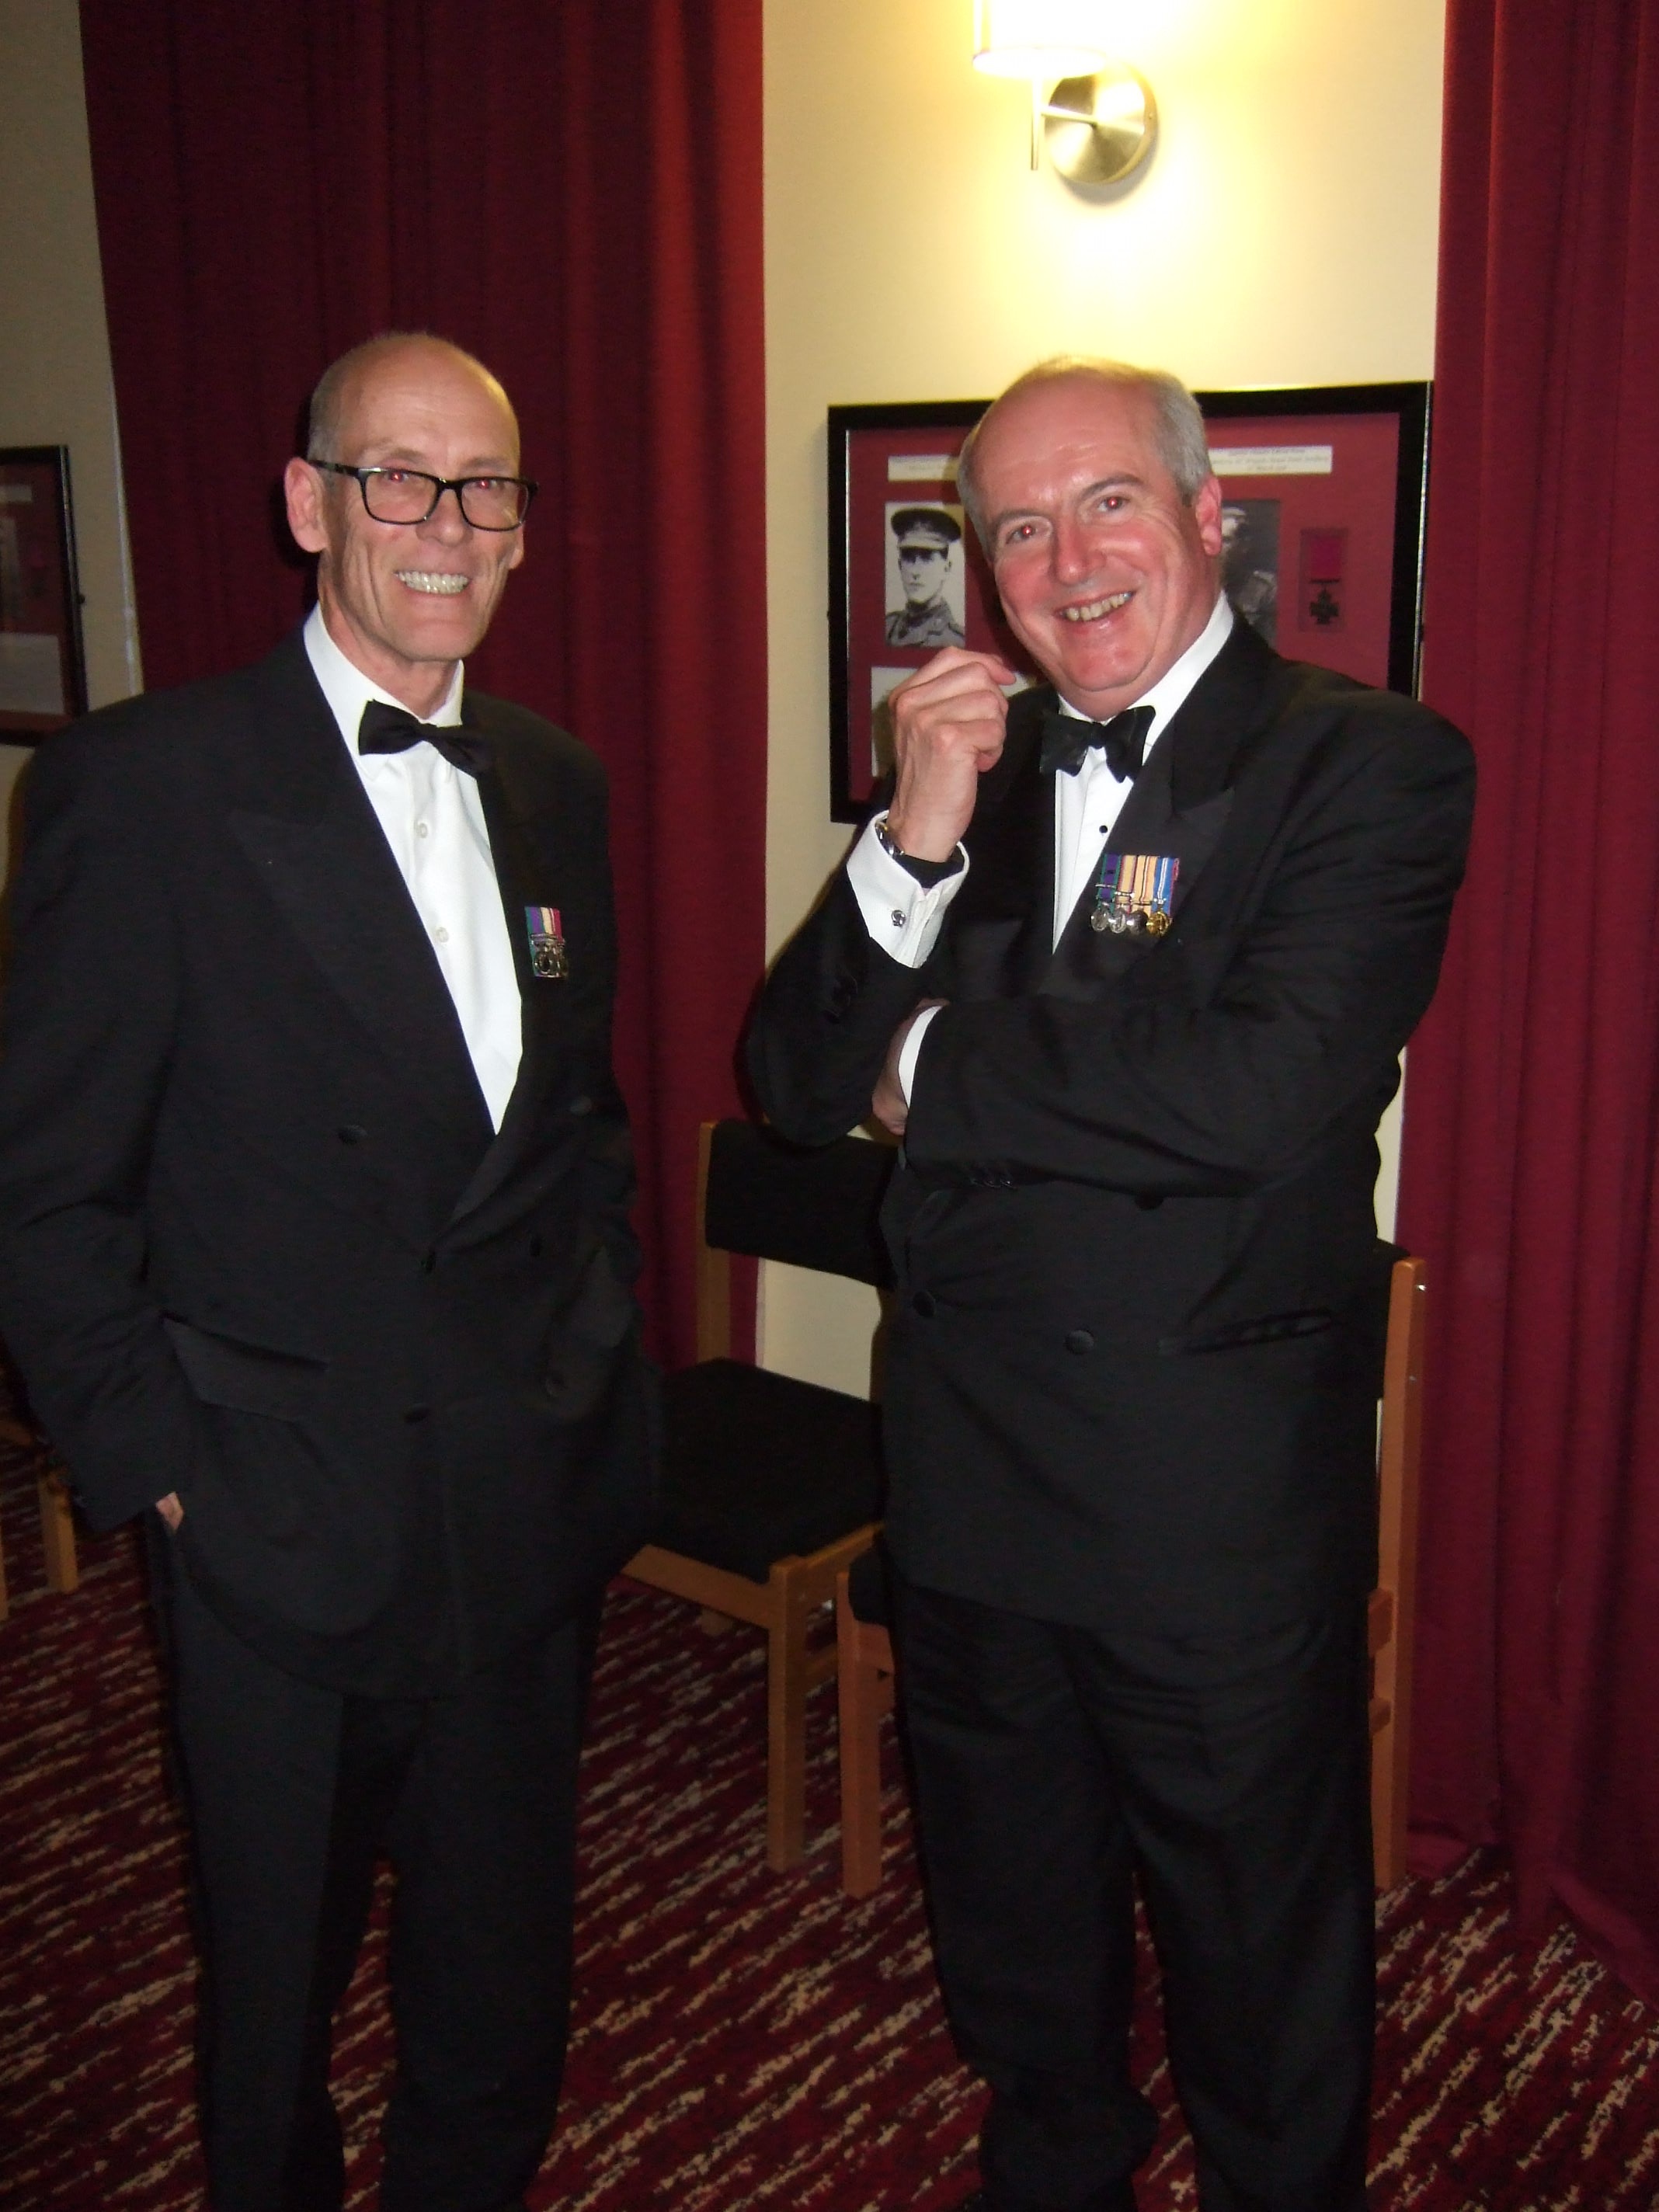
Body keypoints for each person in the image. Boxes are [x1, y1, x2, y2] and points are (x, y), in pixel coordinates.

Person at [749, 358, 1473, 2212]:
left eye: (1109, 504)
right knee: (1013, 1920)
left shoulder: (1365, 759)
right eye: (1018, 526)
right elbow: (792, 1074)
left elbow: (1256, 1091)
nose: (1066, 562)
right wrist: (909, 829)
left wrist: (935, 1066)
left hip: (1206, 1497)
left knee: (1257, 1948)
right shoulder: (971, 769)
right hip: (973, 1472)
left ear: (1209, 517)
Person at [0, 333, 655, 2212]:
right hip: (277, 1507)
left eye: (486, 486)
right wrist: (163, 1468)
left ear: (520, 524)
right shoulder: (145, 786)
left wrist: (592, 1364)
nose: (446, 525)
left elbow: (579, 1125)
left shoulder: (558, 780)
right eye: (398, 477)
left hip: (517, 1493)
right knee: (274, 1978)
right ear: (310, 502)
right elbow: (48, 1188)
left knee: (502, 1955)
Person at [885, 505, 968, 649]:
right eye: (908, 558)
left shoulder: (955, 641)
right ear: (900, 566)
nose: (915, 571)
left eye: (927, 558)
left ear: (946, 568)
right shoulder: (887, 626)